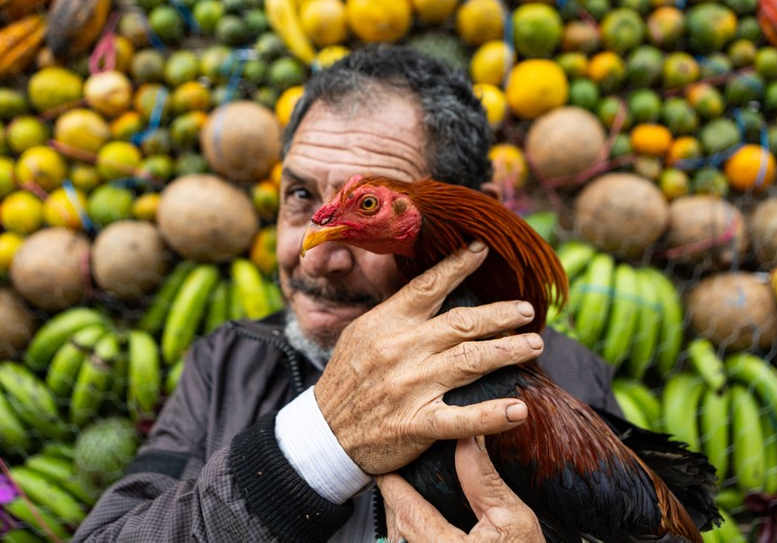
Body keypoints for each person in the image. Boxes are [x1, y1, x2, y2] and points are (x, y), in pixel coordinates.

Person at [73, 45, 622, 542]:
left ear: (460, 216)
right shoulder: (228, 361)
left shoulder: (567, 378)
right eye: (299, 193)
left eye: (368, 209)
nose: (317, 257)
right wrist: (314, 447)